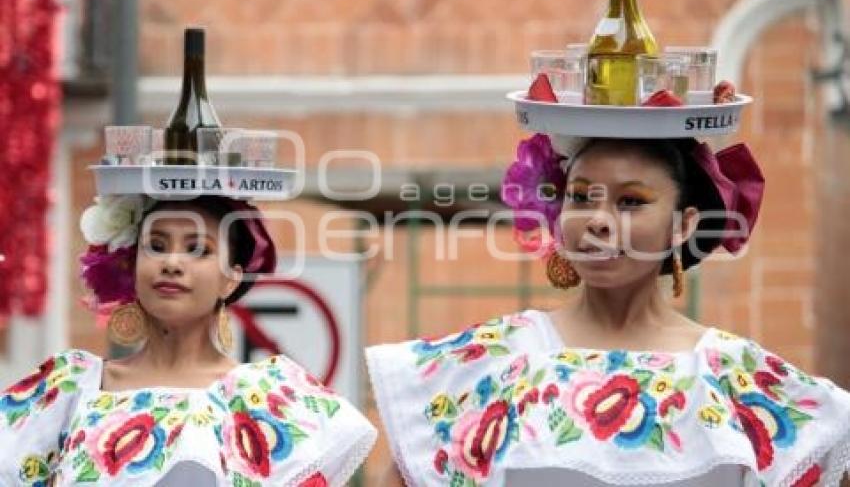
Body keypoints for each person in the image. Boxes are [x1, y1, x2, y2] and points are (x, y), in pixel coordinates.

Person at [366, 134, 850, 486]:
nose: (597, 221)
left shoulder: (735, 377)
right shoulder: (494, 362)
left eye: (631, 201)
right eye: (581, 197)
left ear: (683, 225)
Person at [1, 192, 376, 486]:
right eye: (157, 245)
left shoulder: (271, 398)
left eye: (198, 248)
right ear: (131, 266)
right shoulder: (69, 387)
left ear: (231, 276)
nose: (172, 263)